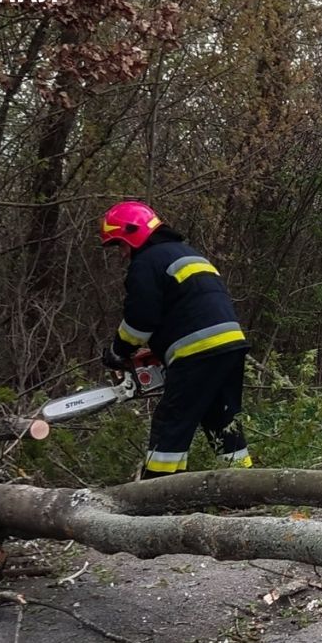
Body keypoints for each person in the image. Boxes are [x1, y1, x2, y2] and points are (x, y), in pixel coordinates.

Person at [97, 201, 254, 479]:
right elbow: (189, 309)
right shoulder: (188, 254)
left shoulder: (146, 262)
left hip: (198, 352)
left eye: (120, 245)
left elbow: (140, 320)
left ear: (133, 234)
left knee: (172, 422)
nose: (122, 253)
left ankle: (158, 491)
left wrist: (119, 350)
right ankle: (244, 487)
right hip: (231, 345)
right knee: (222, 421)